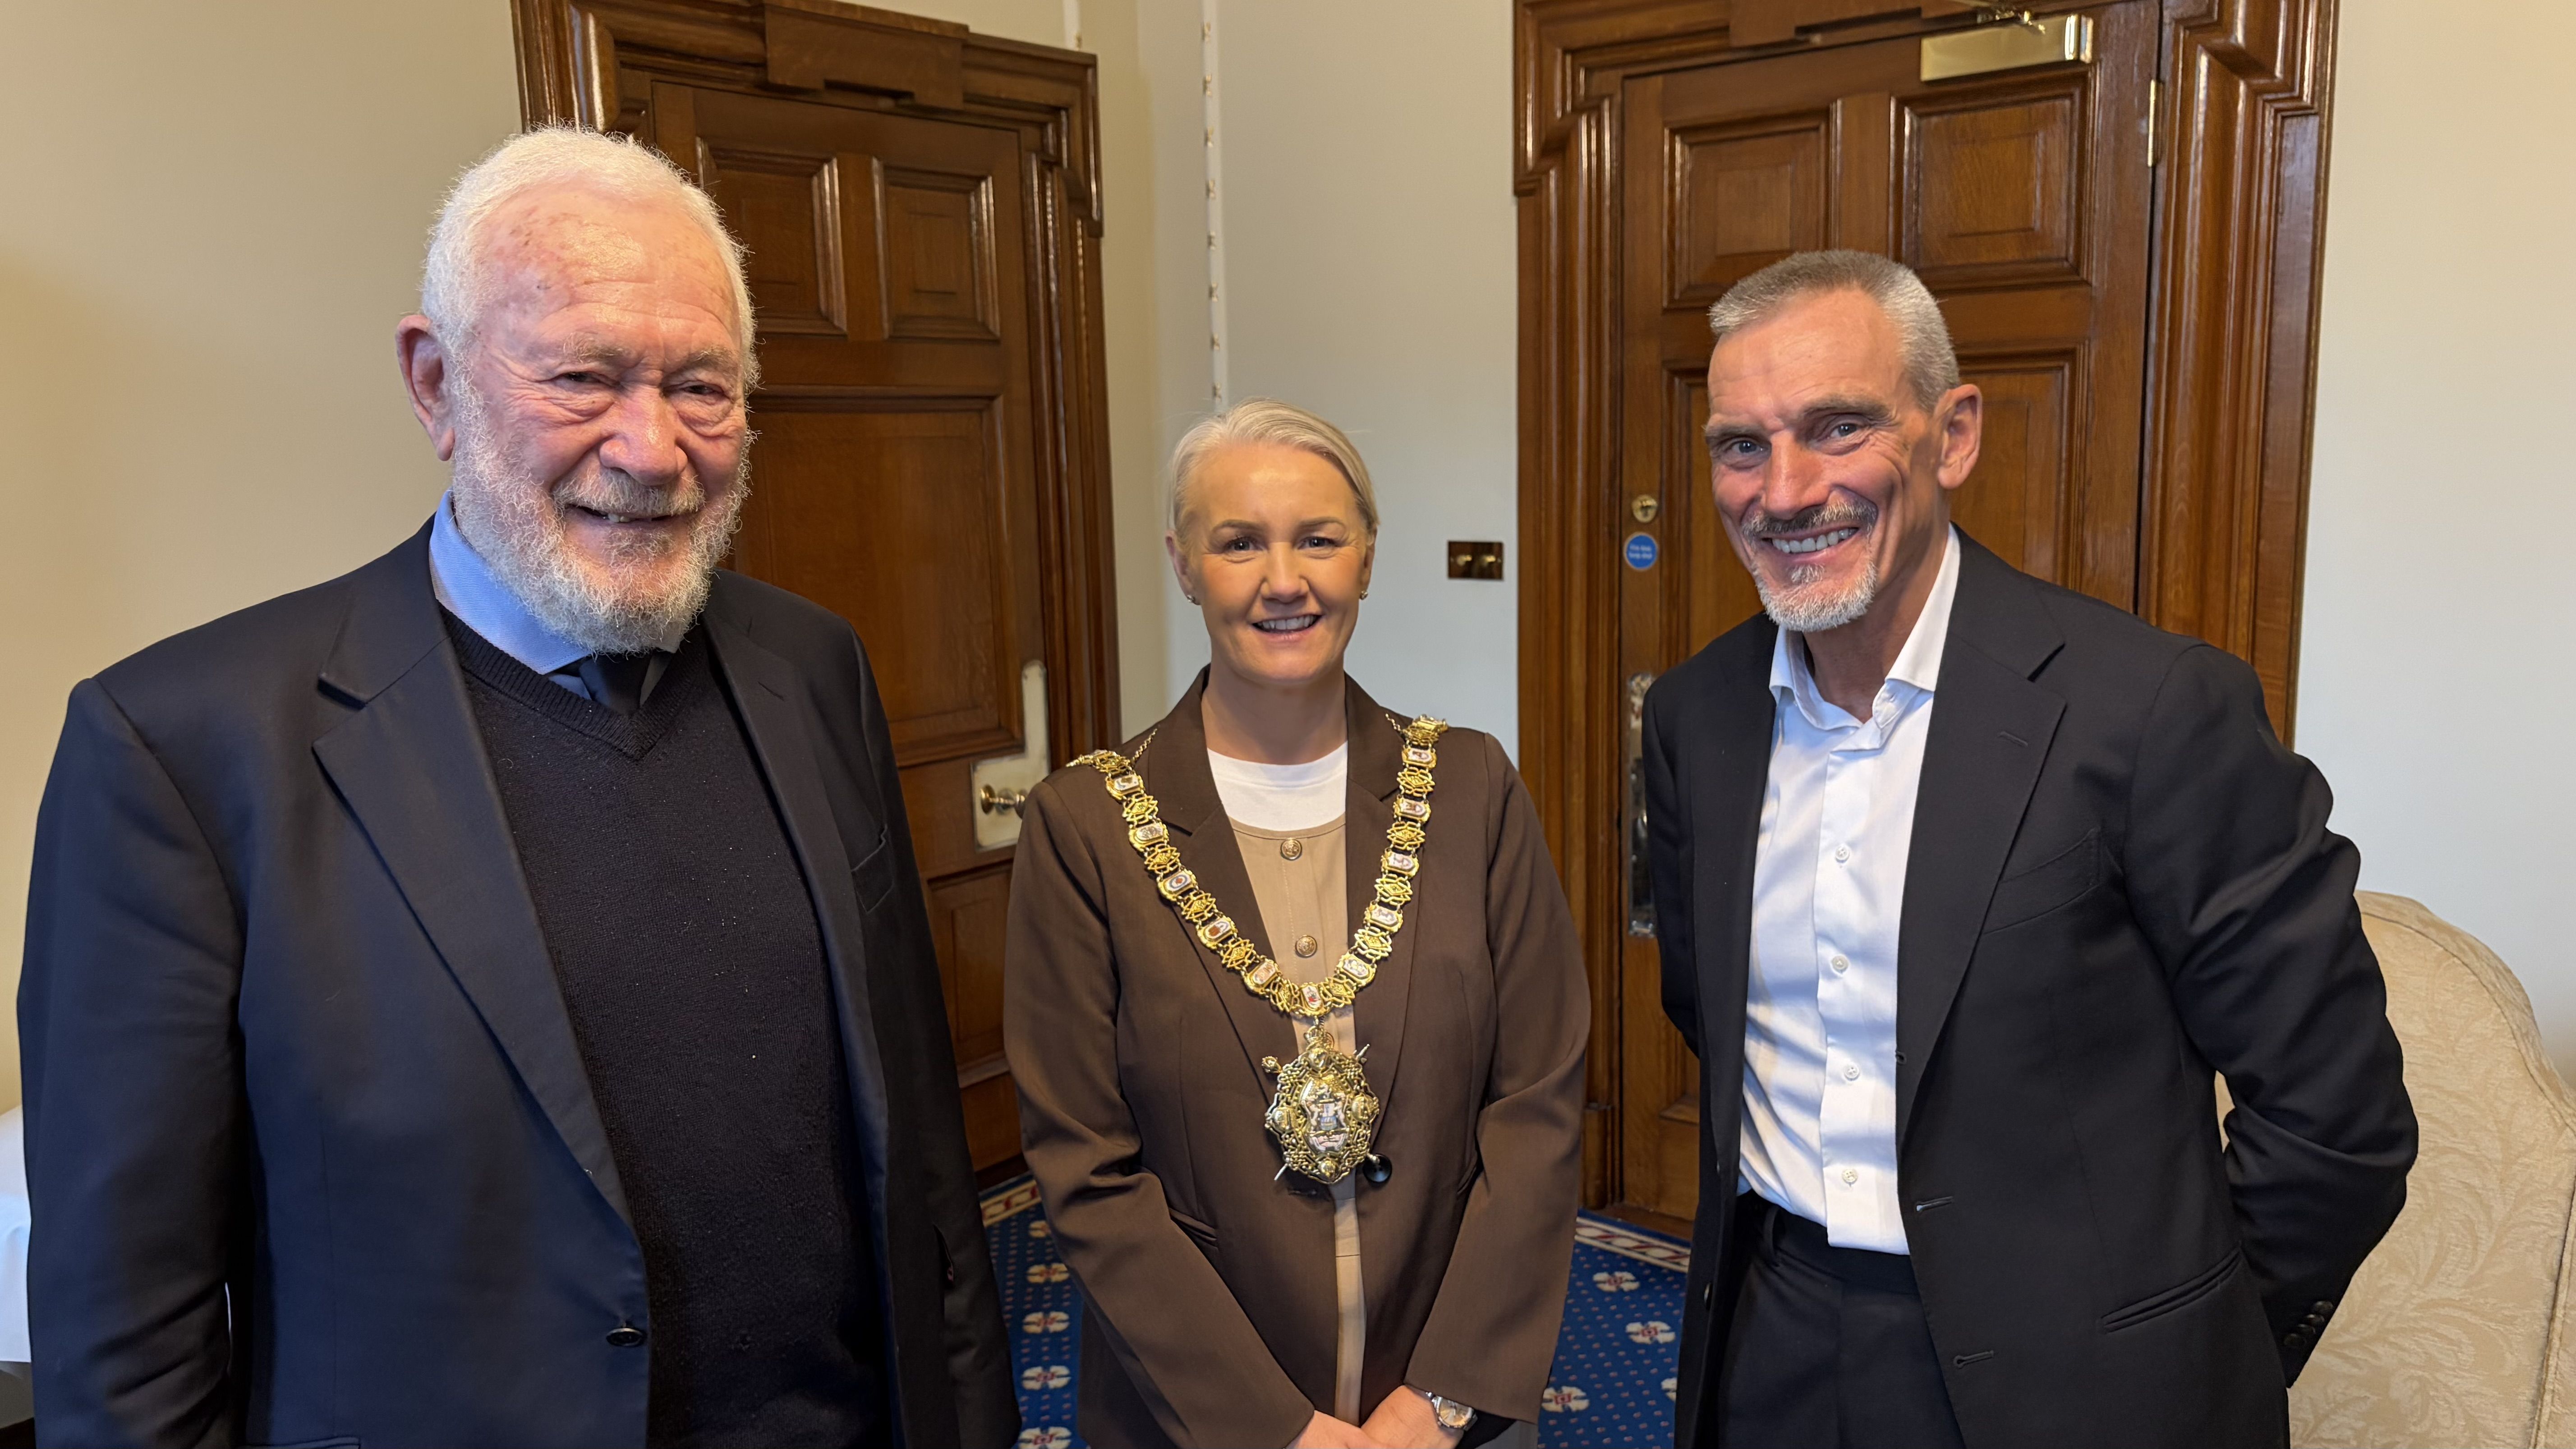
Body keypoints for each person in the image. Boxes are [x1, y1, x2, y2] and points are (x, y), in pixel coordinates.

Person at [18, 127, 1016, 1448]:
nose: (653, 449)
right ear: (436, 385)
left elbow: (925, 1167)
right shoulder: (181, 750)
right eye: (583, 376)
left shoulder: (812, 665)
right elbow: (125, 1340)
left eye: (703, 387)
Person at [1642, 250, 2415, 1449]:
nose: (1784, 490)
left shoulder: (2153, 710)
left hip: (2084, 1381)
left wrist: (2193, 1345)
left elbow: (2334, 1114)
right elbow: (1710, 1005)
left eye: (1838, 428)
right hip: (1773, 1332)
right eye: (1741, 444)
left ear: (1952, 436)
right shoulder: (1697, 715)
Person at [1004, 400, 1587, 1449]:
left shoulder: (1471, 788)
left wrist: (1444, 1396)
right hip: (1196, 1414)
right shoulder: (1084, 823)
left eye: (1320, 537)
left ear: (1366, 558)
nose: (1286, 579)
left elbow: (1538, 1103)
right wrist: (1276, 1428)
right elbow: (1086, 1169)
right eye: (1240, 543)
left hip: (1447, 1403)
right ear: (1186, 566)